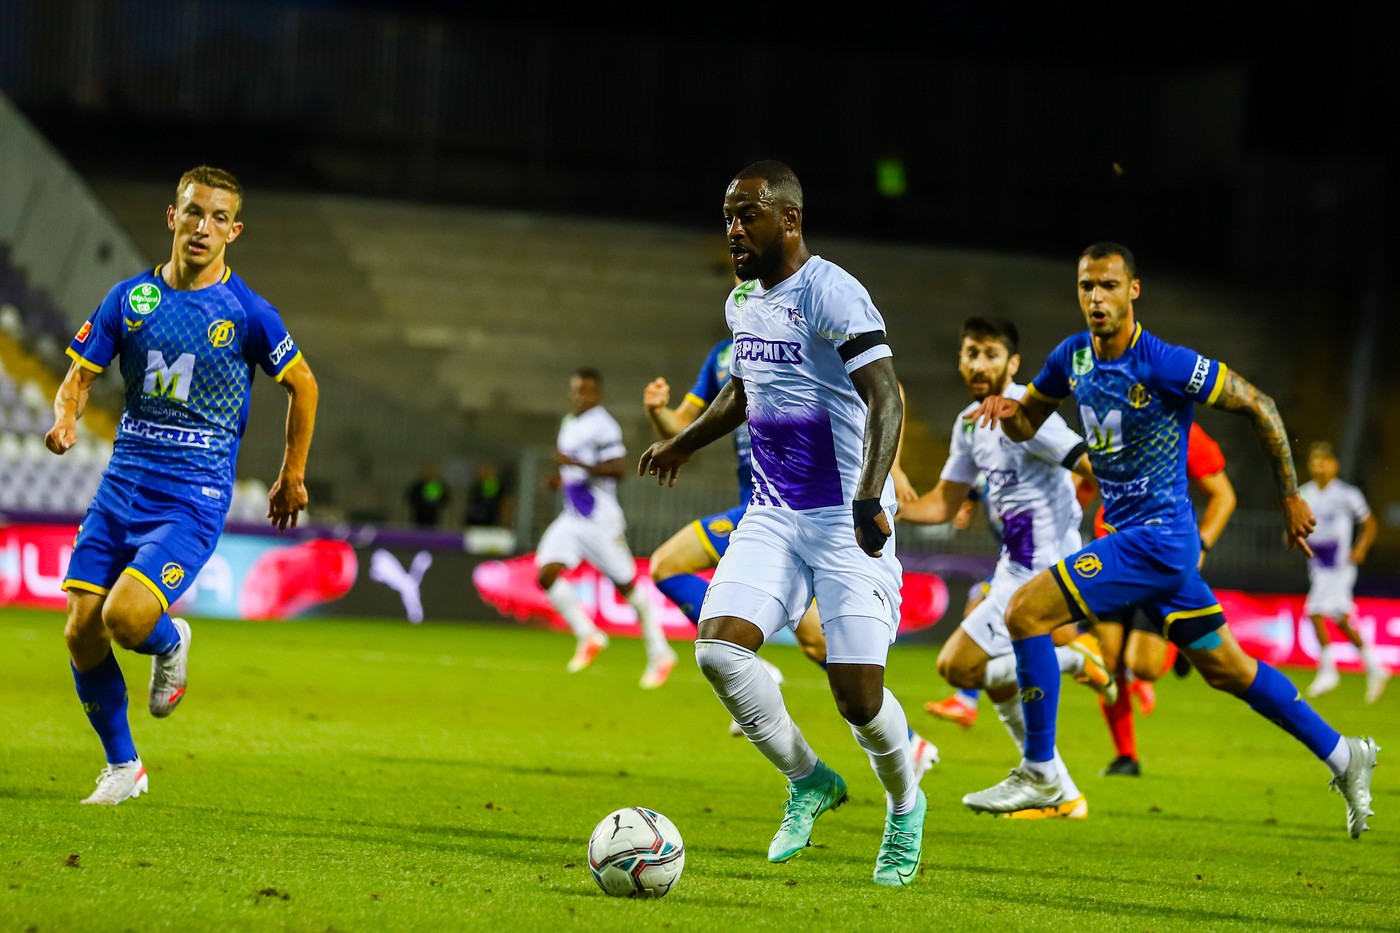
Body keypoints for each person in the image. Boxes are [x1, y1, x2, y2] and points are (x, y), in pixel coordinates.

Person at [960, 242, 1379, 840]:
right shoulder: (1071, 357)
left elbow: (1260, 404)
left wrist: (1290, 495)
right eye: (1086, 287)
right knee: (1229, 670)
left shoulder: (1166, 363)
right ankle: (1343, 754)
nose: (1096, 298)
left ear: (1134, 291)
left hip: (1157, 540)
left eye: (1108, 285)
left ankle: (1041, 772)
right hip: (1142, 543)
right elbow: (1031, 420)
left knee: (1027, 612)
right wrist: (1013, 408)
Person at [639, 161, 924, 886]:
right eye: (727, 216)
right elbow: (744, 386)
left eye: (747, 216)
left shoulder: (832, 291)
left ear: (788, 219)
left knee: (857, 697)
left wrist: (868, 495)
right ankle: (809, 779)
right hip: (771, 515)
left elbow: (886, 397)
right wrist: (684, 440)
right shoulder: (743, 300)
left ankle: (904, 803)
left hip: (844, 519)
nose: (733, 229)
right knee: (718, 650)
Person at [47, 166, 318, 805]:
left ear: (235, 230)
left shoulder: (247, 312)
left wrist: (292, 473)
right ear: (173, 217)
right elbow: (78, 376)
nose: (204, 227)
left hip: (190, 495)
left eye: (219, 218)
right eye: (194, 212)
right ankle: (124, 769)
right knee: (80, 628)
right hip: (122, 485)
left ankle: (171, 640)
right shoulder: (130, 300)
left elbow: (302, 385)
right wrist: (64, 418)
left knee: (124, 616)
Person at [643, 346, 938, 780]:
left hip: (797, 507)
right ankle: (906, 742)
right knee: (669, 567)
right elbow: (684, 425)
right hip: (760, 509)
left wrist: (891, 467)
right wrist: (658, 414)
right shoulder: (727, 353)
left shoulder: (805, 324)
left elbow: (885, 387)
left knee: (669, 566)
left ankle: (905, 744)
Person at [899, 316, 1112, 820]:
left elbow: (1093, 466)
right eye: (970, 352)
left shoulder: (1028, 414)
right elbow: (941, 506)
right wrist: (884, 504)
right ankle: (1061, 789)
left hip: (1048, 571)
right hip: (1012, 569)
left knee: (957, 665)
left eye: (991, 354)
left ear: (1013, 364)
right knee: (985, 677)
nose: (978, 363)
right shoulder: (970, 422)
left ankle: (1077, 659)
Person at [1094, 421, 1237, 777]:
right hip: (1109, 554)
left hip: (1157, 559)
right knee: (1105, 666)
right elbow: (1081, 482)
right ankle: (1126, 756)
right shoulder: (1104, 414)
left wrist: (1202, 542)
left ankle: (1179, 643)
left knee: (1141, 666)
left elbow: (1224, 495)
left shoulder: (1184, 430)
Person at [536, 367, 675, 687]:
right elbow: (578, 470)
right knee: (545, 573)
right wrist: (562, 479)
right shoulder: (570, 422)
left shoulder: (604, 426)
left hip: (600, 520)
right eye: (575, 391)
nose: (579, 396)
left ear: (597, 394)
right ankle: (589, 636)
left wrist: (575, 465)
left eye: (585, 391)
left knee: (628, 589)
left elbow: (617, 469)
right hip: (573, 517)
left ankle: (661, 652)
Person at [1299, 441, 1385, 702]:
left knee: (1313, 611)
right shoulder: (1304, 494)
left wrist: (1360, 548)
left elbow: (1370, 524)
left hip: (1339, 566)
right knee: (1341, 619)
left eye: (1324, 461)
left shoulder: (1347, 494)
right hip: (1318, 564)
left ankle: (1328, 670)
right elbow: (1299, 526)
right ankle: (1375, 666)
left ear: (1334, 465)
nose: (1319, 466)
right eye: (1315, 461)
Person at [405, 461, 450, 528]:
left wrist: (435, 503)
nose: (429, 472)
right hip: (419, 518)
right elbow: (411, 498)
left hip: (433, 518)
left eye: (432, 470)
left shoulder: (438, 485)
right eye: (427, 470)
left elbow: (445, 499)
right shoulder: (418, 485)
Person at [465, 462, 506, 527]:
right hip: (477, 515)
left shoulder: (497, 484)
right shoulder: (478, 484)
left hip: (491, 515)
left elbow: (502, 500)